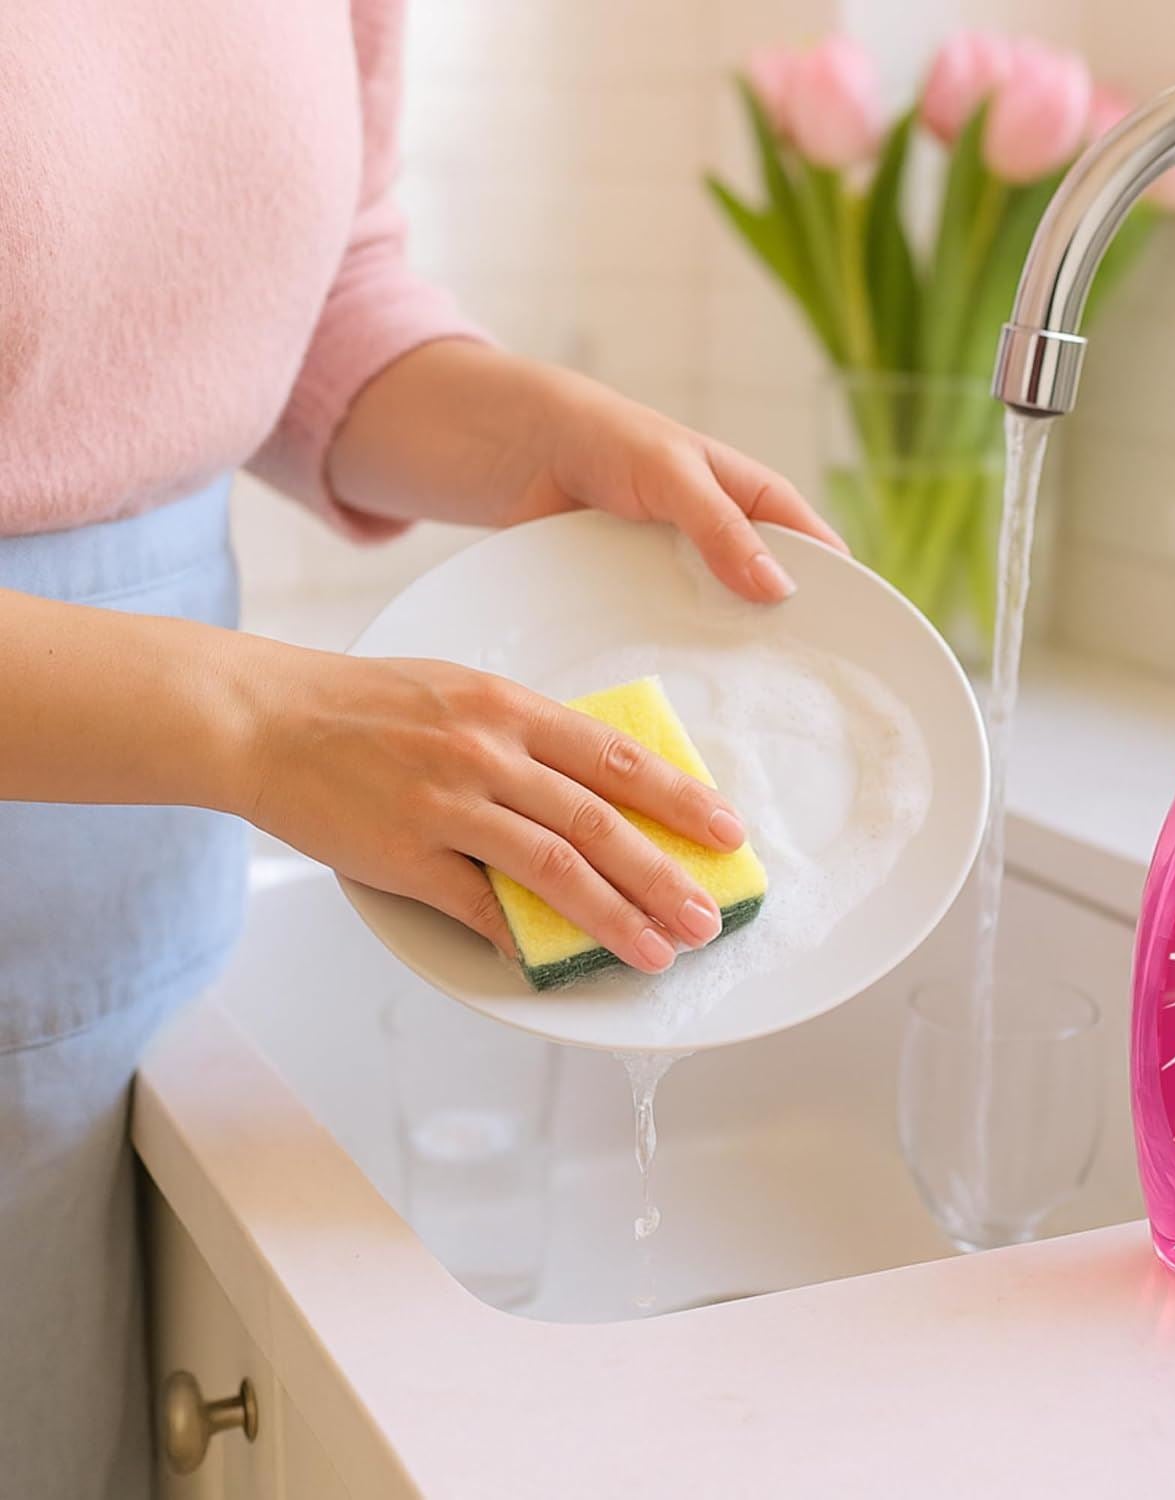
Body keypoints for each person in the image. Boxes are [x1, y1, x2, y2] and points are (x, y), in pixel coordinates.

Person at [0, 4, 844, 1493]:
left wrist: (541, 434)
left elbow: (310, 285)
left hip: (145, 920)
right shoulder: (249, 722)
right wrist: (263, 718)